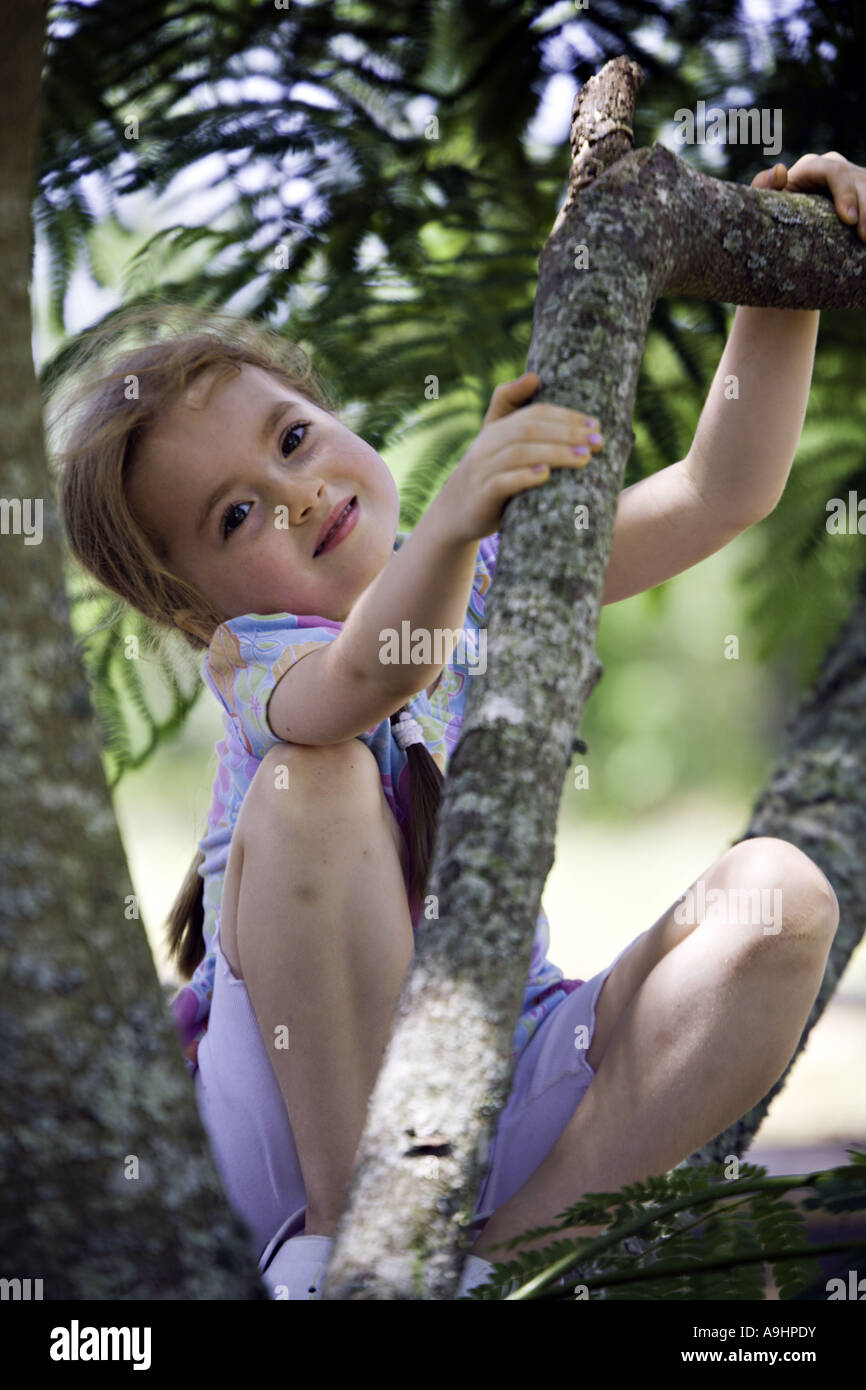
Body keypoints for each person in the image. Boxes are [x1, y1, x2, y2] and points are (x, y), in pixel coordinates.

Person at [50, 151, 862, 1299]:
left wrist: (781, 277)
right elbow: (372, 675)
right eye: (237, 515)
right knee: (314, 780)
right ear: (195, 606)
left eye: (290, 440)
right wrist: (445, 530)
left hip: (491, 1072)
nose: (295, 494)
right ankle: (362, 1250)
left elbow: (721, 488)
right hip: (298, 1133)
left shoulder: (490, 573)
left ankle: (499, 1262)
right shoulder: (261, 657)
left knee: (785, 898)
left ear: (330, 414)